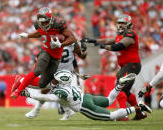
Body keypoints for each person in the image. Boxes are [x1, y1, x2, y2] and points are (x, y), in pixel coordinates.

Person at [21, 70, 152, 121]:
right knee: (109, 100)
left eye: (55, 80)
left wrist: (29, 94)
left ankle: (138, 107)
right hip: (87, 97)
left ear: (61, 82)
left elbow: (47, 97)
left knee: (112, 116)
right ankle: (119, 85)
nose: (53, 81)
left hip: (85, 105)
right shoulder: (69, 85)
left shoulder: (62, 91)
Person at [81, 14, 143, 120]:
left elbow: (119, 46)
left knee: (119, 89)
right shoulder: (121, 35)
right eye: (119, 23)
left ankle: (123, 116)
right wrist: (93, 41)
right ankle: (139, 113)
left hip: (131, 65)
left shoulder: (130, 33)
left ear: (128, 24)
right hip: (126, 66)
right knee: (126, 93)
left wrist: (103, 47)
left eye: (123, 23)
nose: (121, 25)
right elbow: (107, 40)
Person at [11, 7, 76, 99]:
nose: (44, 24)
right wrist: (28, 35)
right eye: (42, 22)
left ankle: (21, 81)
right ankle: (18, 91)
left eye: (46, 22)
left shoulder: (58, 25)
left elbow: (73, 38)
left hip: (56, 57)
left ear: (51, 19)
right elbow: (40, 32)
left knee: (42, 84)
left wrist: (61, 44)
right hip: (46, 51)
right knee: (37, 71)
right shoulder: (38, 25)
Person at [12, 41, 87, 119]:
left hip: (58, 74)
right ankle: (67, 111)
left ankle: (36, 109)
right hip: (63, 74)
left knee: (49, 91)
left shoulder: (57, 46)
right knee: (55, 92)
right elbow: (78, 60)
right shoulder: (69, 45)